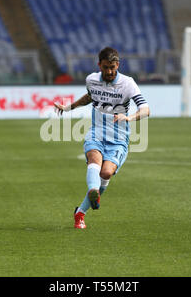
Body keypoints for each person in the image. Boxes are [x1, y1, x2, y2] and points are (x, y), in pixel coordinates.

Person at [54, 47, 150, 229]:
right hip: (96, 132)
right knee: (93, 160)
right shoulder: (91, 80)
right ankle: (93, 190)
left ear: (118, 65)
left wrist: (129, 117)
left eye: (112, 67)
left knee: (106, 173)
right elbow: (91, 97)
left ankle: (80, 211)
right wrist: (69, 108)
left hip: (119, 138)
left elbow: (146, 109)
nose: (109, 71)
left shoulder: (128, 83)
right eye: (105, 67)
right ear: (99, 65)